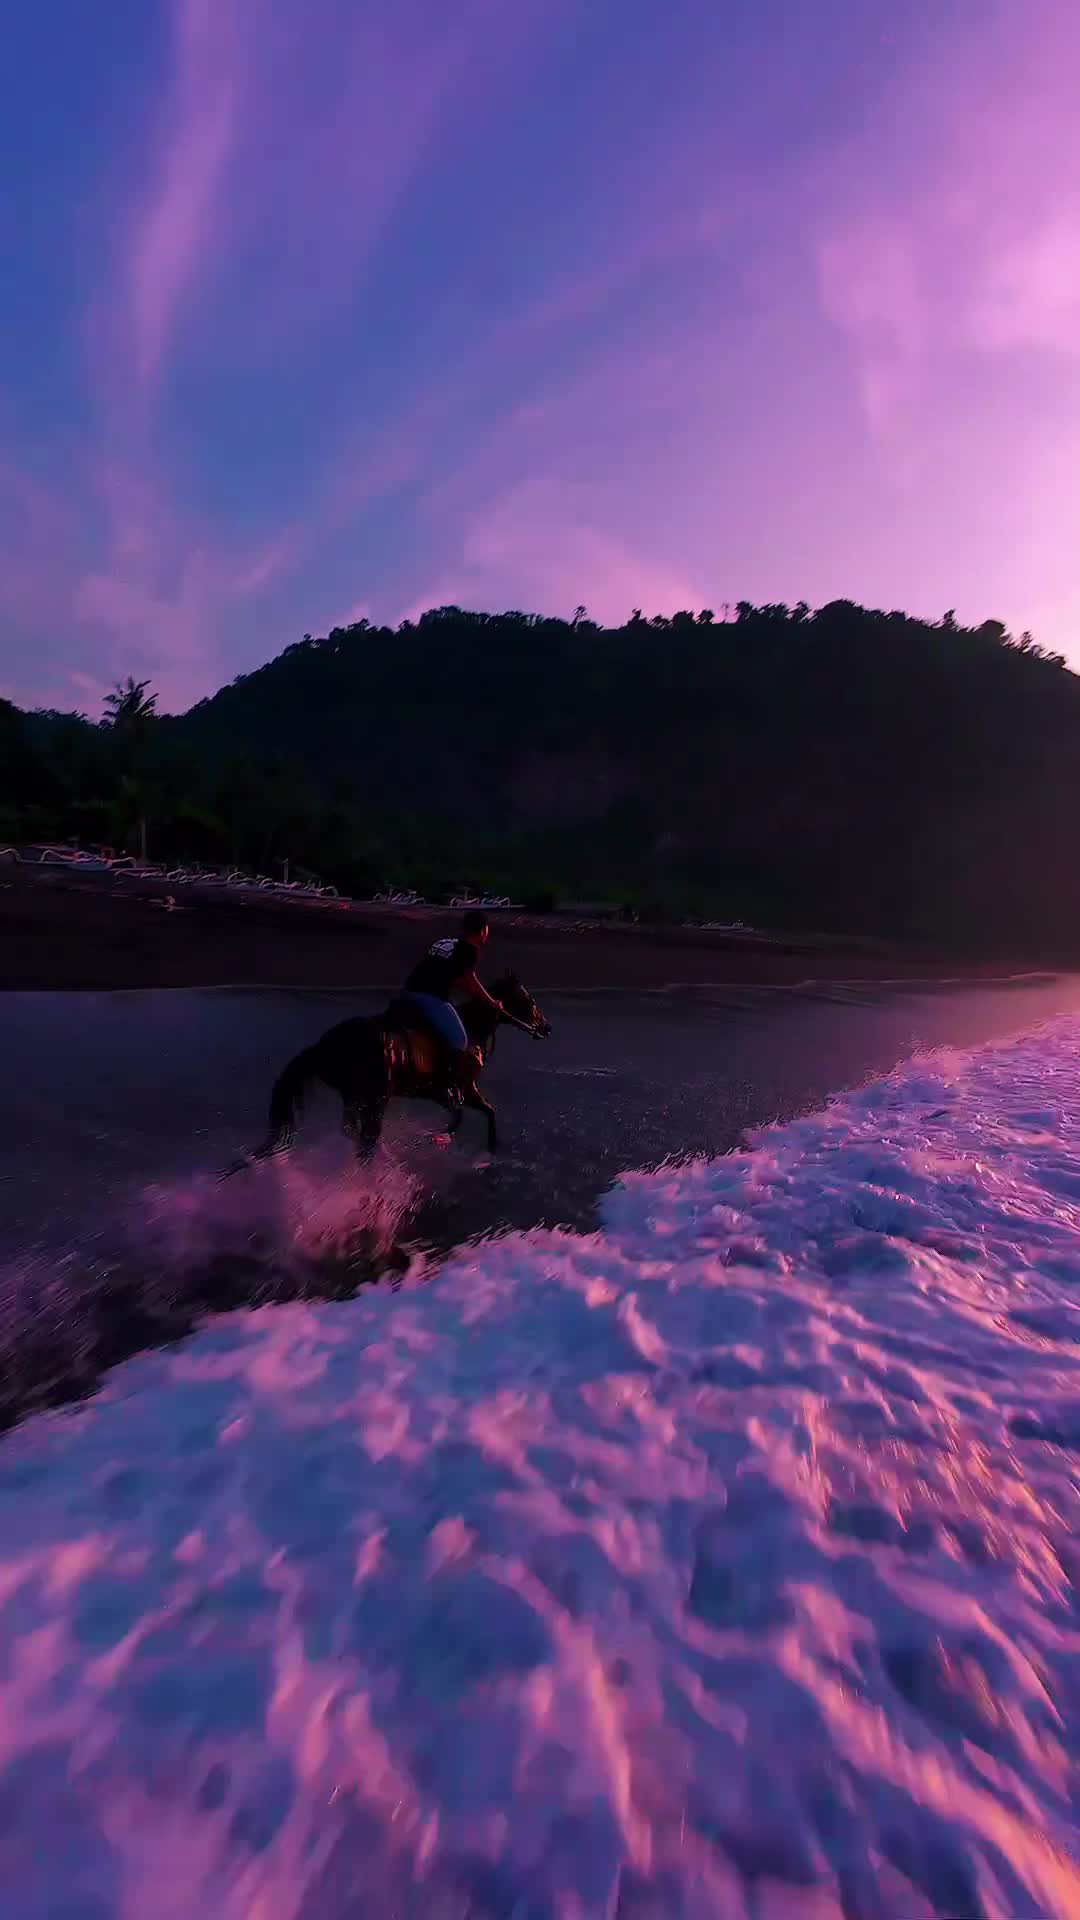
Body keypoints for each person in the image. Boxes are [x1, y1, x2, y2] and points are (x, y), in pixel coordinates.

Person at [399, 910, 526, 1095]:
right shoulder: (470, 950)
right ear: (483, 931)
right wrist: (492, 1002)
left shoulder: (445, 942)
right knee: (460, 1040)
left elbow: (457, 978)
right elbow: (470, 981)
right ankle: (445, 1085)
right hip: (429, 997)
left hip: (407, 992)